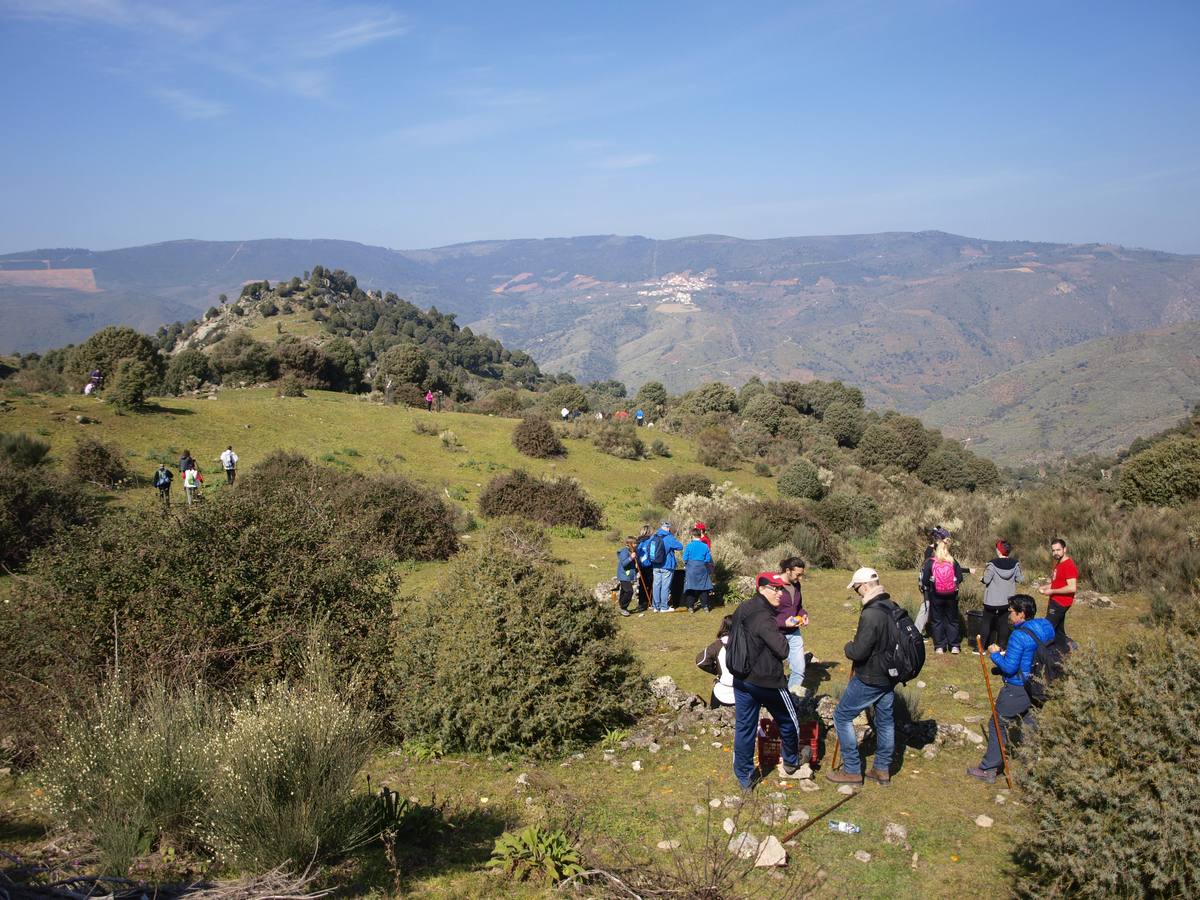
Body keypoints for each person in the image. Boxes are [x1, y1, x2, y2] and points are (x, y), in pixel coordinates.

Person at [729, 572, 807, 788]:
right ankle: (791, 761)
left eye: (781, 589)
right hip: (767, 681)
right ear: (761, 588)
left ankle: (744, 777)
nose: (780, 593)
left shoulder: (744, 607)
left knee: (745, 727)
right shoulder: (764, 617)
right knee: (789, 720)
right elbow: (782, 650)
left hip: (741, 678)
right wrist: (784, 630)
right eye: (775, 588)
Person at [967, 594, 1055, 784]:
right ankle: (1031, 765)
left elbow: (1009, 668)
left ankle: (990, 768)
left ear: (1022, 614)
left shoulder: (1018, 635)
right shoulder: (1046, 627)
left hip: (1018, 687)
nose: (1009, 614)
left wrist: (995, 655)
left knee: (997, 723)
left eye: (1012, 612)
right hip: (1039, 685)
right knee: (1030, 724)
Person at [827, 567, 898, 786]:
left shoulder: (871, 613)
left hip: (871, 675)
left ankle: (852, 771)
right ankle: (882, 769)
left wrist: (849, 647)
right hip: (890, 673)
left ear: (865, 586)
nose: (858, 593)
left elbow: (859, 651)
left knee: (842, 716)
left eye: (857, 588)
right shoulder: (892, 606)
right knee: (885, 720)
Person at [920, 539, 972, 654]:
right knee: (952, 620)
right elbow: (960, 577)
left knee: (937, 620)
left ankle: (940, 646)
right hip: (951, 595)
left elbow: (924, 581)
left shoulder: (930, 562)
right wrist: (954, 583)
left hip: (936, 595)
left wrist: (932, 583)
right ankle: (954, 646)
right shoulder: (952, 561)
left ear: (936, 550)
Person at [980, 540, 1024, 652]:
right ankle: (1002, 647)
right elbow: (1020, 579)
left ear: (999, 550)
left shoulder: (992, 564)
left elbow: (986, 580)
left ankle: (980, 648)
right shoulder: (1015, 564)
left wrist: (982, 578)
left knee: (986, 622)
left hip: (991, 601)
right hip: (1007, 601)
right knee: (1004, 624)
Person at [777, 556, 809, 695]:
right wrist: (783, 622)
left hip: (794, 633)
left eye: (802, 575)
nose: (800, 578)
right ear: (788, 570)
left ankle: (791, 697)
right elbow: (763, 614)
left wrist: (803, 615)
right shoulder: (773, 585)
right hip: (776, 634)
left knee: (799, 670)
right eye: (798, 575)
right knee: (771, 671)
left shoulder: (796, 585)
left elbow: (798, 606)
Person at [1039, 538, 1077, 640]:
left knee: (1046, 629)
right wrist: (1046, 586)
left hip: (1060, 603)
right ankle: (1066, 648)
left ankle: (1041, 652)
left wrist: (1052, 591)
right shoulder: (1059, 563)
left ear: (1065, 549)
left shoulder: (1068, 565)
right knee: (1058, 630)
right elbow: (1058, 583)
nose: (1055, 553)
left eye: (1058, 550)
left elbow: (1072, 587)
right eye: (1053, 550)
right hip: (1055, 600)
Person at [915, 526, 950, 637]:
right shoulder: (931, 550)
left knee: (933, 607)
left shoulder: (940, 549)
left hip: (937, 583)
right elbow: (928, 568)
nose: (948, 541)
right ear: (940, 539)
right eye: (946, 539)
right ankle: (916, 632)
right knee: (926, 607)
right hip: (928, 583)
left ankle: (935, 631)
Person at [649, 521, 683, 613]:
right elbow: (680, 547)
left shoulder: (654, 536)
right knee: (665, 586)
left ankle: (656, 606)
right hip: (667, 565)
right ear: (668, 528)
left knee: (656, 585)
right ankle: (664, 607)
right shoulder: (669, 537)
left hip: (655, 565)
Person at [682, 527, 715, 613]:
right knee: (703, 588)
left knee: (691, 588)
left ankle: (690, 607)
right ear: (700, 535)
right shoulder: (705, 546)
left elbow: (684, 558)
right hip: (702, 568)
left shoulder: (689, 545)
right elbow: (708, 559)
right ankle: (705, 607)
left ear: (692, 536)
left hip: (691, 569)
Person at [710, 615, 736, 709]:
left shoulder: (717, 645)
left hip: (722, 690)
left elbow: (701, 661)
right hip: (743, 691)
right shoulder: (749, 643)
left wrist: (717, 671)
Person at [616, 536, 638, 617]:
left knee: (624, 591)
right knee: (629, 591)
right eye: (635, 543)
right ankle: (623, 607)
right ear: (629, 544)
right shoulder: (624, 552)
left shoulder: (632, 550)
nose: (636, 545)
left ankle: (621, 607)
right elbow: (624, 563)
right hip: (623, 575)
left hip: (628, 575)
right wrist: (631, 558)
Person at [634, 523, 654, 612]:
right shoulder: (651, 541)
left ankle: (641, 603)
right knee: (650, 584)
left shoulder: (638, 541)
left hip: (640, 566)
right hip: (650, 565)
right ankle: (649, 602)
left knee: (642, 584)